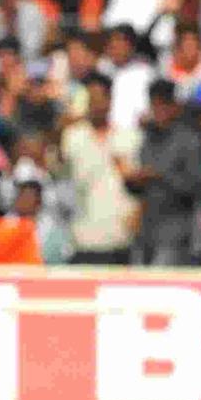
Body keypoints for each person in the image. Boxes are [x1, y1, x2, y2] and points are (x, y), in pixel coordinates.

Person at [60, 72, 142, 265]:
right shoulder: (71, 137)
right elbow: (61, 176)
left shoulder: (130, 137)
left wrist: (139, 210)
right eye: (91, 99)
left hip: (120, 237)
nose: (95, 104)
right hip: (83, 237)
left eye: (100, 98)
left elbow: (140, 187)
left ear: (110, 99)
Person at [124, 78, 201, 266]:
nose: (157, 111)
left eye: (162, 105)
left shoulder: (190, 140)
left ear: (174, 106)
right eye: (154, 105)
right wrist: (132, 181)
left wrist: (159, 176)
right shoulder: (148, 139)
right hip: (146, 231)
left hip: (177, 233)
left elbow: (199, 187)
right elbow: (142, 185)